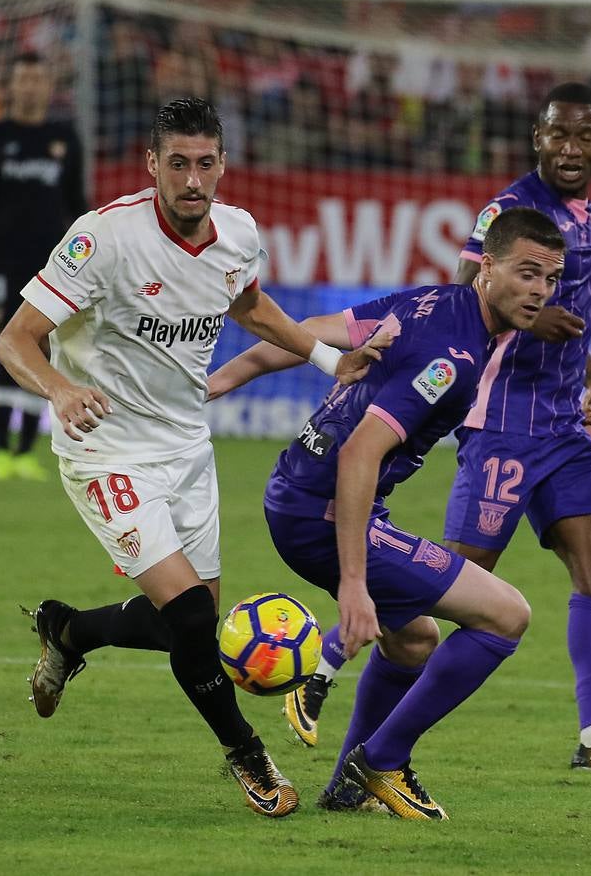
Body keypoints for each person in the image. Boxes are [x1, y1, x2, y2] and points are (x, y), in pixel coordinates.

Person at [0, 97, 385, 818]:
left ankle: (69, 630)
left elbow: (253, 308)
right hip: (106, 450)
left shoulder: (237, 234)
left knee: (190, 621)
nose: (193, 179)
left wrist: (330, 359)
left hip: (186, 450)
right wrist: (59, 388)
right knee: (194, 623)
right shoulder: (102, 239)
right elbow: (15, 338)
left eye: (206, 163)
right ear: (152, 164)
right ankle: (248, 755)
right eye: (178, 163)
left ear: (223, 165)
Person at [286, 83, 591, 775]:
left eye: (584, 137)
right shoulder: (508, 211)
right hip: (498, 422)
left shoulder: (589, 225)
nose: (570, 148)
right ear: (538, 137)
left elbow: (567, 312)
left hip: (562, 427)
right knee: (451, 590)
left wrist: (587, 368)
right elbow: (470, 294)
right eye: (559, 134)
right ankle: (330, 664)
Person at [208, 207, 566, 819]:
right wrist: (353, 586)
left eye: (551, 278)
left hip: (295, 491)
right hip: (324, 510)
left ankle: (349, 787)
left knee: (414, 639)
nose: (539, 291)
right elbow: (360, 452)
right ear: (488, 268)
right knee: (506, 616)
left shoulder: (429, 302)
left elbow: (305, 338)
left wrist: (210, 387)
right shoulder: (452, 358)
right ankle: (383, 761)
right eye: (526, 273)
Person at [0, 51, 87, 481]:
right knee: (6, 346)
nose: (30, 86)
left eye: (37, 78)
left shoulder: (65, 137)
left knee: (46, 349)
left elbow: (79, 210)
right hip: (4, 265)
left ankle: (27, 450)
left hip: (52, 270)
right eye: (23, 78)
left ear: (48, 86)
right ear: (11, 86)